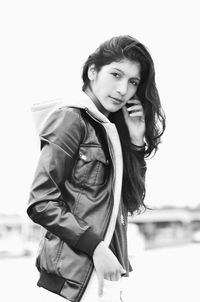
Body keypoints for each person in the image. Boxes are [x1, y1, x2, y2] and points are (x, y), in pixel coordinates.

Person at [27, 35, 165, 302]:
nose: (123, 89)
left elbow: (131, 204)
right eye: (116, 74)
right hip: (74, 280)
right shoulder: (70, 119)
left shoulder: (111, 133)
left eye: (133, 82)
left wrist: (136, 144)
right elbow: (41, 202)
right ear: (92, 72)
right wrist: (97, 247)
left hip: (109, 275)